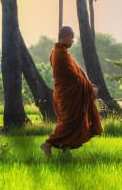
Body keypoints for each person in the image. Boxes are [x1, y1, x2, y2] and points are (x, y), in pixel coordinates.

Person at [41, 26, 103, 157]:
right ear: (66, 36)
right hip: (68, 95)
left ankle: (66, 148)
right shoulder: (60, 53)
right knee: (69, 123)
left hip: (68, 94)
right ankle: (48, 143)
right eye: (72, 38)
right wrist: (90, 88)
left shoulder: (60, 52)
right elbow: (73, 76)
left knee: (74, 123)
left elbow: (77, 74)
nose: (72, 41)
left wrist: (88, 85)